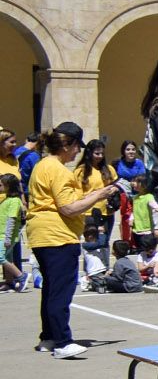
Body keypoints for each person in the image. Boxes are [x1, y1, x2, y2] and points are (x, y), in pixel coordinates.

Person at [26, 121, 120, 358]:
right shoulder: (58, 170)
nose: (79, 152)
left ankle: (48, 337)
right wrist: (101, 193)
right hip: (57, 235)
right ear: (70, 145)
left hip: (42, 234)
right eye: (78, 146)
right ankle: (62, 342)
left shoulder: (43, 165)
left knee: (51, 289)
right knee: (61, 290)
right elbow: (68, 208)